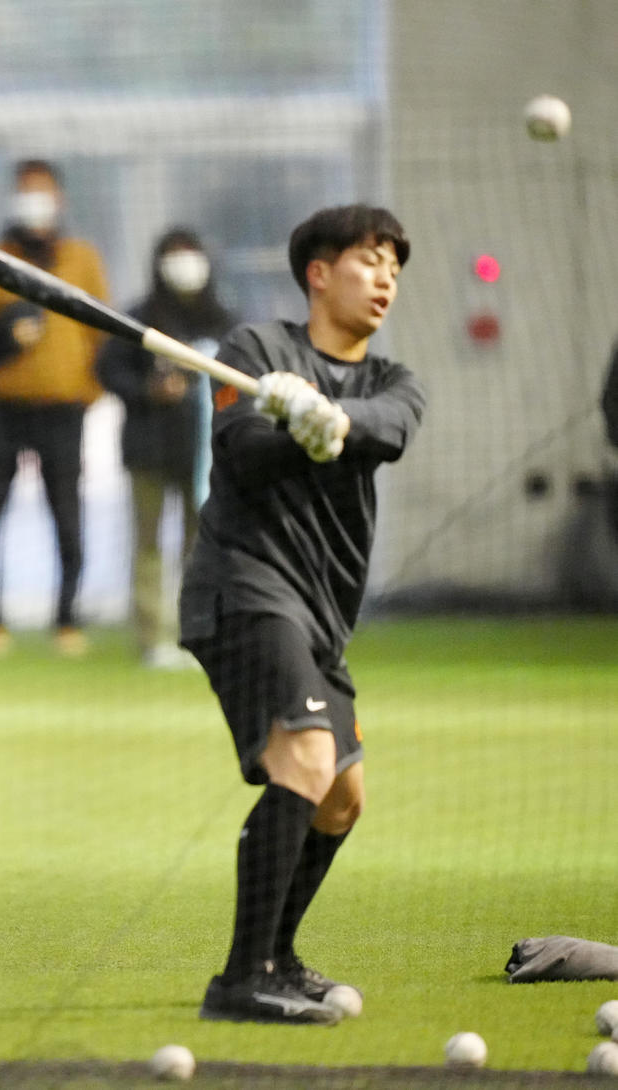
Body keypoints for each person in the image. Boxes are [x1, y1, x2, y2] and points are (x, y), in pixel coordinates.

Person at [178, 204, 424, 1023]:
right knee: (307, 758)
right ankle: (241, 979)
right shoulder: (255, 352)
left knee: (342, 798)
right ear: (319, 274)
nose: (385, 277)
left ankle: (278, 957)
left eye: (394, 265)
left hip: (318, 614)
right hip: (244, 589)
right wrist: (291, 424)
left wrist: (335, 421)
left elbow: (392, 428)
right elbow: (242, 451)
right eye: (369, 260)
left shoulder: (392, 381)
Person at [0, 160, 110, 656]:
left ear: (61, 200)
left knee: (67, 514)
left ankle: (67, 618)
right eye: (26, 194)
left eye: (43, 194)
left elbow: (101, 333)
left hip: (63, 410)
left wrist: (87, 391)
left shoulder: (81, 259)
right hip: (0, 410)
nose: (35, 204)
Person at [96, 228, 237, 667]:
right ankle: (151, 637)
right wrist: (147, 390)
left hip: (207, 455)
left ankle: (197, 634)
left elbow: (244, 377)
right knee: (149, 545)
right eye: (173, 256)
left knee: (201, 547)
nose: (184, 264)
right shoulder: (139, 317)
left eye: (190, 254)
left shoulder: (224, 321)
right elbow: (107, 368)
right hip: (149, 451)